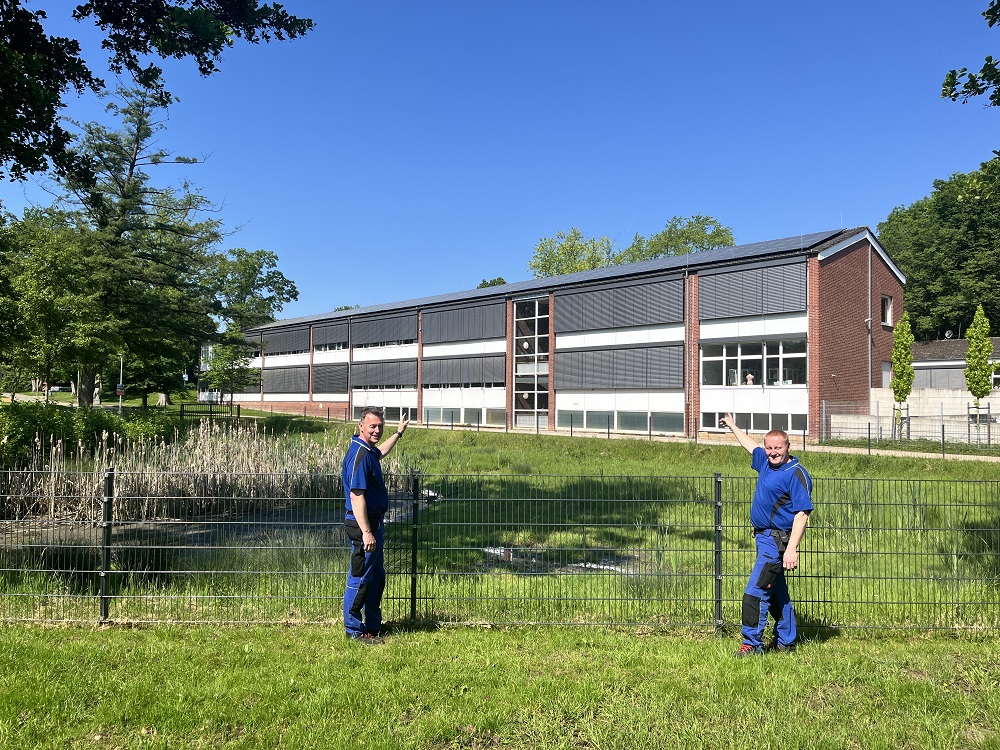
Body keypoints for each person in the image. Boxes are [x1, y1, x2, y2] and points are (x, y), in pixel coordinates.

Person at [719, 412, 813, 656]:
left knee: (756, 592)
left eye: (778, 448)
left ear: (788, 447)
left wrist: (792, 548)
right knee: (776, 594)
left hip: (776, 542)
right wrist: (732, 426)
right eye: (769, 448)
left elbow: (802, 514)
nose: (773, 452)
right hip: (762, 539)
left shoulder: (796, 473)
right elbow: (751, 446)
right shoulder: (765, 462)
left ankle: (751, 644)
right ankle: (786, 641)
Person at [342, 406, 409, 643]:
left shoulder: (368, 451)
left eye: (380, 426)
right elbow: (356, 495)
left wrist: (398, 433)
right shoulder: (359, 455)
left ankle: (372, 624)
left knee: (376, 575)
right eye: (373, 426)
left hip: (374, 524)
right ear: (361, 426)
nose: (377, 430)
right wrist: (367, 532)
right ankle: (354, 631)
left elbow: (380, 452)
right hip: (364, 525)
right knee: (360, 577)